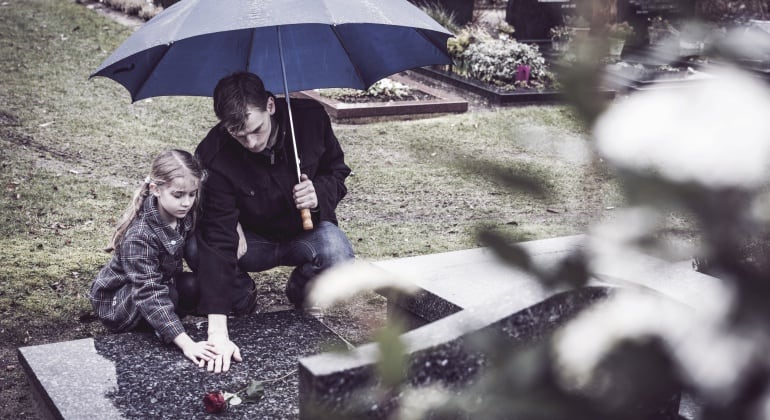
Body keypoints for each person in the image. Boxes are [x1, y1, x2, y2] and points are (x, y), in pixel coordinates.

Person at [190, 71, 355, 373]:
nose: (251, 143)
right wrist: (217, 331)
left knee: (338, 254)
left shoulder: (310, 119)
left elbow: (338, 171)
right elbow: (218, 238)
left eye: (256, 130)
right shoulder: (214, 153)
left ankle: (302, 293)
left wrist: (318, 193)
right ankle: (242, 298)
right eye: (238, 135)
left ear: (270, 105)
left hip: (305, 233)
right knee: (196, 248)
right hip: (251, 241)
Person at [89, 149, 217, 368]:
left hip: (162, 284)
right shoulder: (139, 236)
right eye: (178, 195)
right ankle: (157, 328)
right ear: (156, 190)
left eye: (192, 194)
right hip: (121, 303)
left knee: (193, 286)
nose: (186, 202)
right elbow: (148, 292)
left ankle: (164, 321)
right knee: (168, 294)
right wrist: (186, 343)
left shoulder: (183, 213)